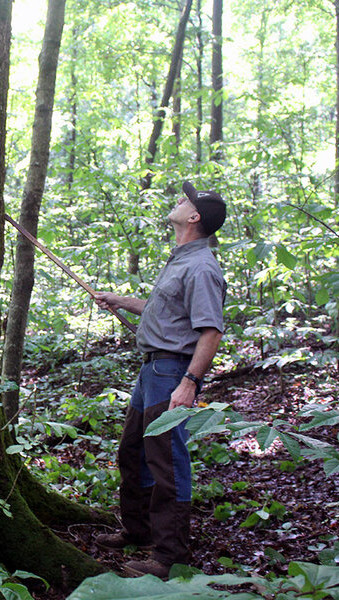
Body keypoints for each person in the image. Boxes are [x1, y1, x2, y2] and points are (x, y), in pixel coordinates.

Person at [93, 181, 226, 579]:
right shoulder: (181, 259)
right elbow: (164, 311)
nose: (180, 201)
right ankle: (138, 530)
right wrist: (121, 301)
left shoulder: (202, 267)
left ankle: (169, 557)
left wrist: (188, 383)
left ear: (194, 217)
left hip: (171, 372)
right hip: (151, 370)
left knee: (167, 461)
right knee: (133, 452)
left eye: (187, 200)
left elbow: (211, 331)